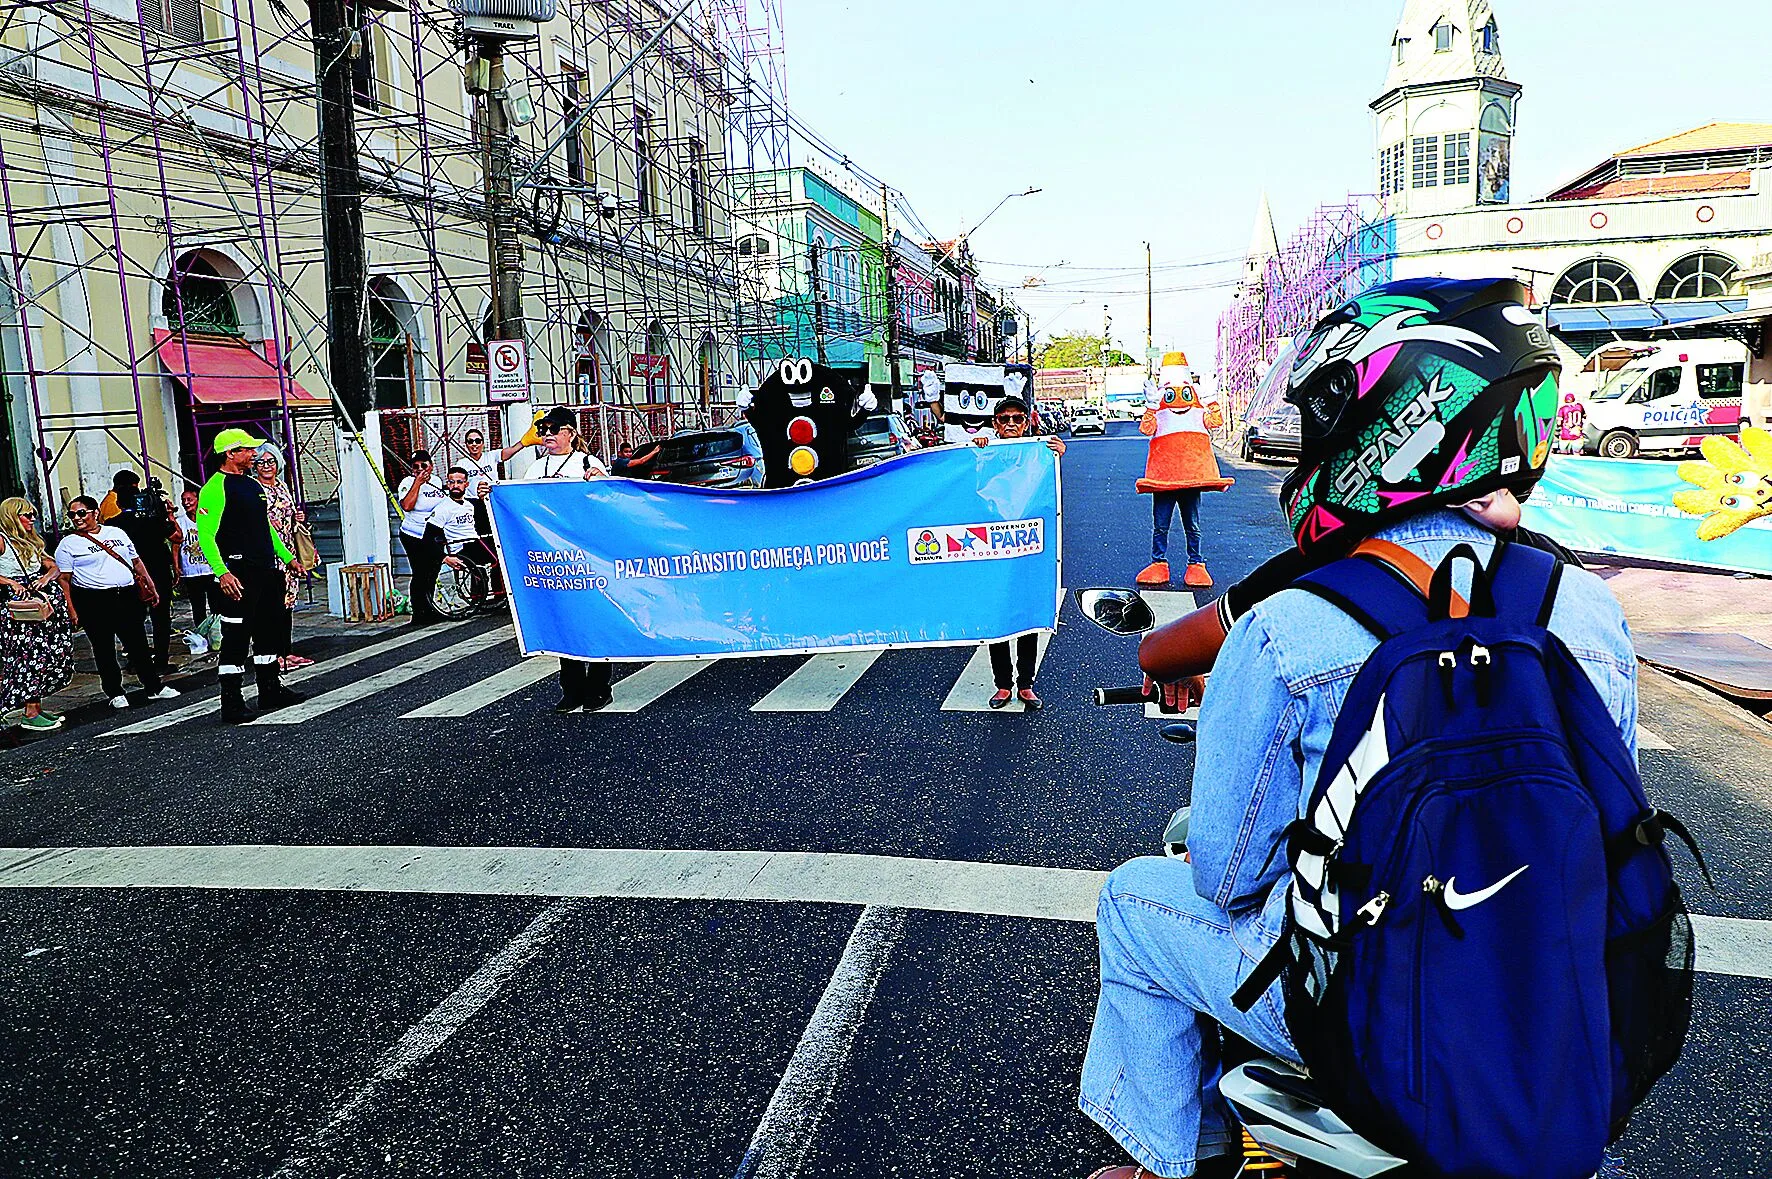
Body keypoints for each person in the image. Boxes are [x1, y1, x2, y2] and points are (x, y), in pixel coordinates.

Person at [1078, 278, 1635, 1179]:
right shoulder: (1587, 609)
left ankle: (1166, 1156)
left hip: (1353, 994)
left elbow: (1227, 871)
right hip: (1546, 994)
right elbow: (1611, 821)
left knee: (1136, 901)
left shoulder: (1291, 625)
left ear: (1398, 419)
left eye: (1330, 413)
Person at [195, 428, 306, 722]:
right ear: (230, 454)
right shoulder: (215, 488)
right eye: (246, 450)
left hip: (266, 570)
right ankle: (231, 702)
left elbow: (265, 527)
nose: (253, 454)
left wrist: (287, 557)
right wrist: (222, 572)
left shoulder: (251, 484)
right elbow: (205, 535)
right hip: (238, 573)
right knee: (236, 637)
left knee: (267, 629)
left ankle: (270, 689)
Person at [967, 394, 1065, 710]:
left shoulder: (1039, 452)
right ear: (995, 424)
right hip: (991, 548)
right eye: (1004, 419)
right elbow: (966, 484)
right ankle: (1002, 685)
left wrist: (1058, 455)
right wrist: (976, 450)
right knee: (998, 618)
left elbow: (1050, 490)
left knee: (1027, 615)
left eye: (1017, 419)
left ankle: (1025, 685)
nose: (1010, 424)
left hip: (1027, 549)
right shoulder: (985, 452)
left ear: (1026, 422)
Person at [519, 406, 615, 713]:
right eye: (543, 430)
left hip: (588, 558)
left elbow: (611, 501)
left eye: (553, 429)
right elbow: (520, 504)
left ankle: (599, 687)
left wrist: (600, 480)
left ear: (570, 433)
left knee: (595, 620)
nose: (547, 435)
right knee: (565, 623)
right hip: (554, 560)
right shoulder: (535, 470)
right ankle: (571, 689)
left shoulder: (587, 462)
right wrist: (488, 494)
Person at [54, 495, 180, 710]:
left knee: (138, 643)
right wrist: (72, 610)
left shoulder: (116, 533)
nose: (77, 518)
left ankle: (153, 687)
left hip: (126, 595)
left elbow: (136, 561)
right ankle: (114, 691)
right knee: (103, 648)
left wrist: (150, 586)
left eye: (82, 513)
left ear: (95, 513)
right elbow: (64, 580)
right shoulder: (68, 544)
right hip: (94, 600)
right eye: (73, 514)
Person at [1134, 374, 1234, 590]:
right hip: (1164, 482)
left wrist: (1211, 400)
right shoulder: (1159, 411)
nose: (1178, 400)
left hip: (1190, 480)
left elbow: (1216, 422)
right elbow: (1146, 429)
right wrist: (1151, 406)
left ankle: (1196, 564)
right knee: (1161, 525)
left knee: (1192, 525)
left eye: (1185, 393)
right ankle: (1158, 563)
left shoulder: (1198, 412)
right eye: (1171, 394)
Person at [0, 497, 74, 731]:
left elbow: (54, 565)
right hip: (19, 610)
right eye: (26, 515)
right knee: (29, 657)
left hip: (39, 604)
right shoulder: (2, 540)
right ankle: (30, 713)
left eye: (33, 514)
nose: (32, 518)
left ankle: (36, 707)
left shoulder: (30, 540)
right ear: (12, 516)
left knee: (45, 655)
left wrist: (46, 576)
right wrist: (10, 582)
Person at [107, 469, 179, 676]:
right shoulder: (152, 521)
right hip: (157, 572)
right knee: (161, 618)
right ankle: (162, 660)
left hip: (129, 576)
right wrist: (167, 514)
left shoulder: (113, 525)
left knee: (133, 619)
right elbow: (176, 535)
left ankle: (136, 660)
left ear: (119, 504)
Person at [252, 444, 312, 670]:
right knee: (272, 605)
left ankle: (286, 651)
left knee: (288, 604)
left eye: (271, 461)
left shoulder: (282, 486)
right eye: (261, 462)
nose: (267, 466)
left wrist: (297, 516)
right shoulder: (255, 488)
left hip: (289, 553)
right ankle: (274, 653)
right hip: (269, 554)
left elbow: (289, 514)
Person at [396, 448, 447, 626]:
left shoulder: (437, 481)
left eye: (423, 465)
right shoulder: (407, 482)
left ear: (431, 466)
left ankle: (430, 607)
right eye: (416, 466)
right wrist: (417, 483)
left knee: (433, 571)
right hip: (413, 533)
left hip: (433, 532)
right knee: (419, 572)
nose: (420, 469)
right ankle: (419, 612)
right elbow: (407, 505)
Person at [434, 467, 496, 595]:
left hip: (475, 542)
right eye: (452, 482)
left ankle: (499, 593)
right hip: (460, 547)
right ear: (447, 484)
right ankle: (478, 594)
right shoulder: (443, 508)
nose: (455, 485)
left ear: (466, 484)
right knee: (494, 554)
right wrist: (444, 557)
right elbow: (430, 535)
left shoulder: (469, 504)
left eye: (459, 482)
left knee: (505, 551)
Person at [174, 487, 216, 628]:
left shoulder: (208, 518)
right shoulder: (180, 522)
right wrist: (176, 566)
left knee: (216, 605)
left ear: (198, 500)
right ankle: (201, 632)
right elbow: (176, 545)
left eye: (189, 499)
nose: (186, 503)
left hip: (210, 569)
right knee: (198, 607)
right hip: (191, 571)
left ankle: (217, 633)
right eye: (183, 500)